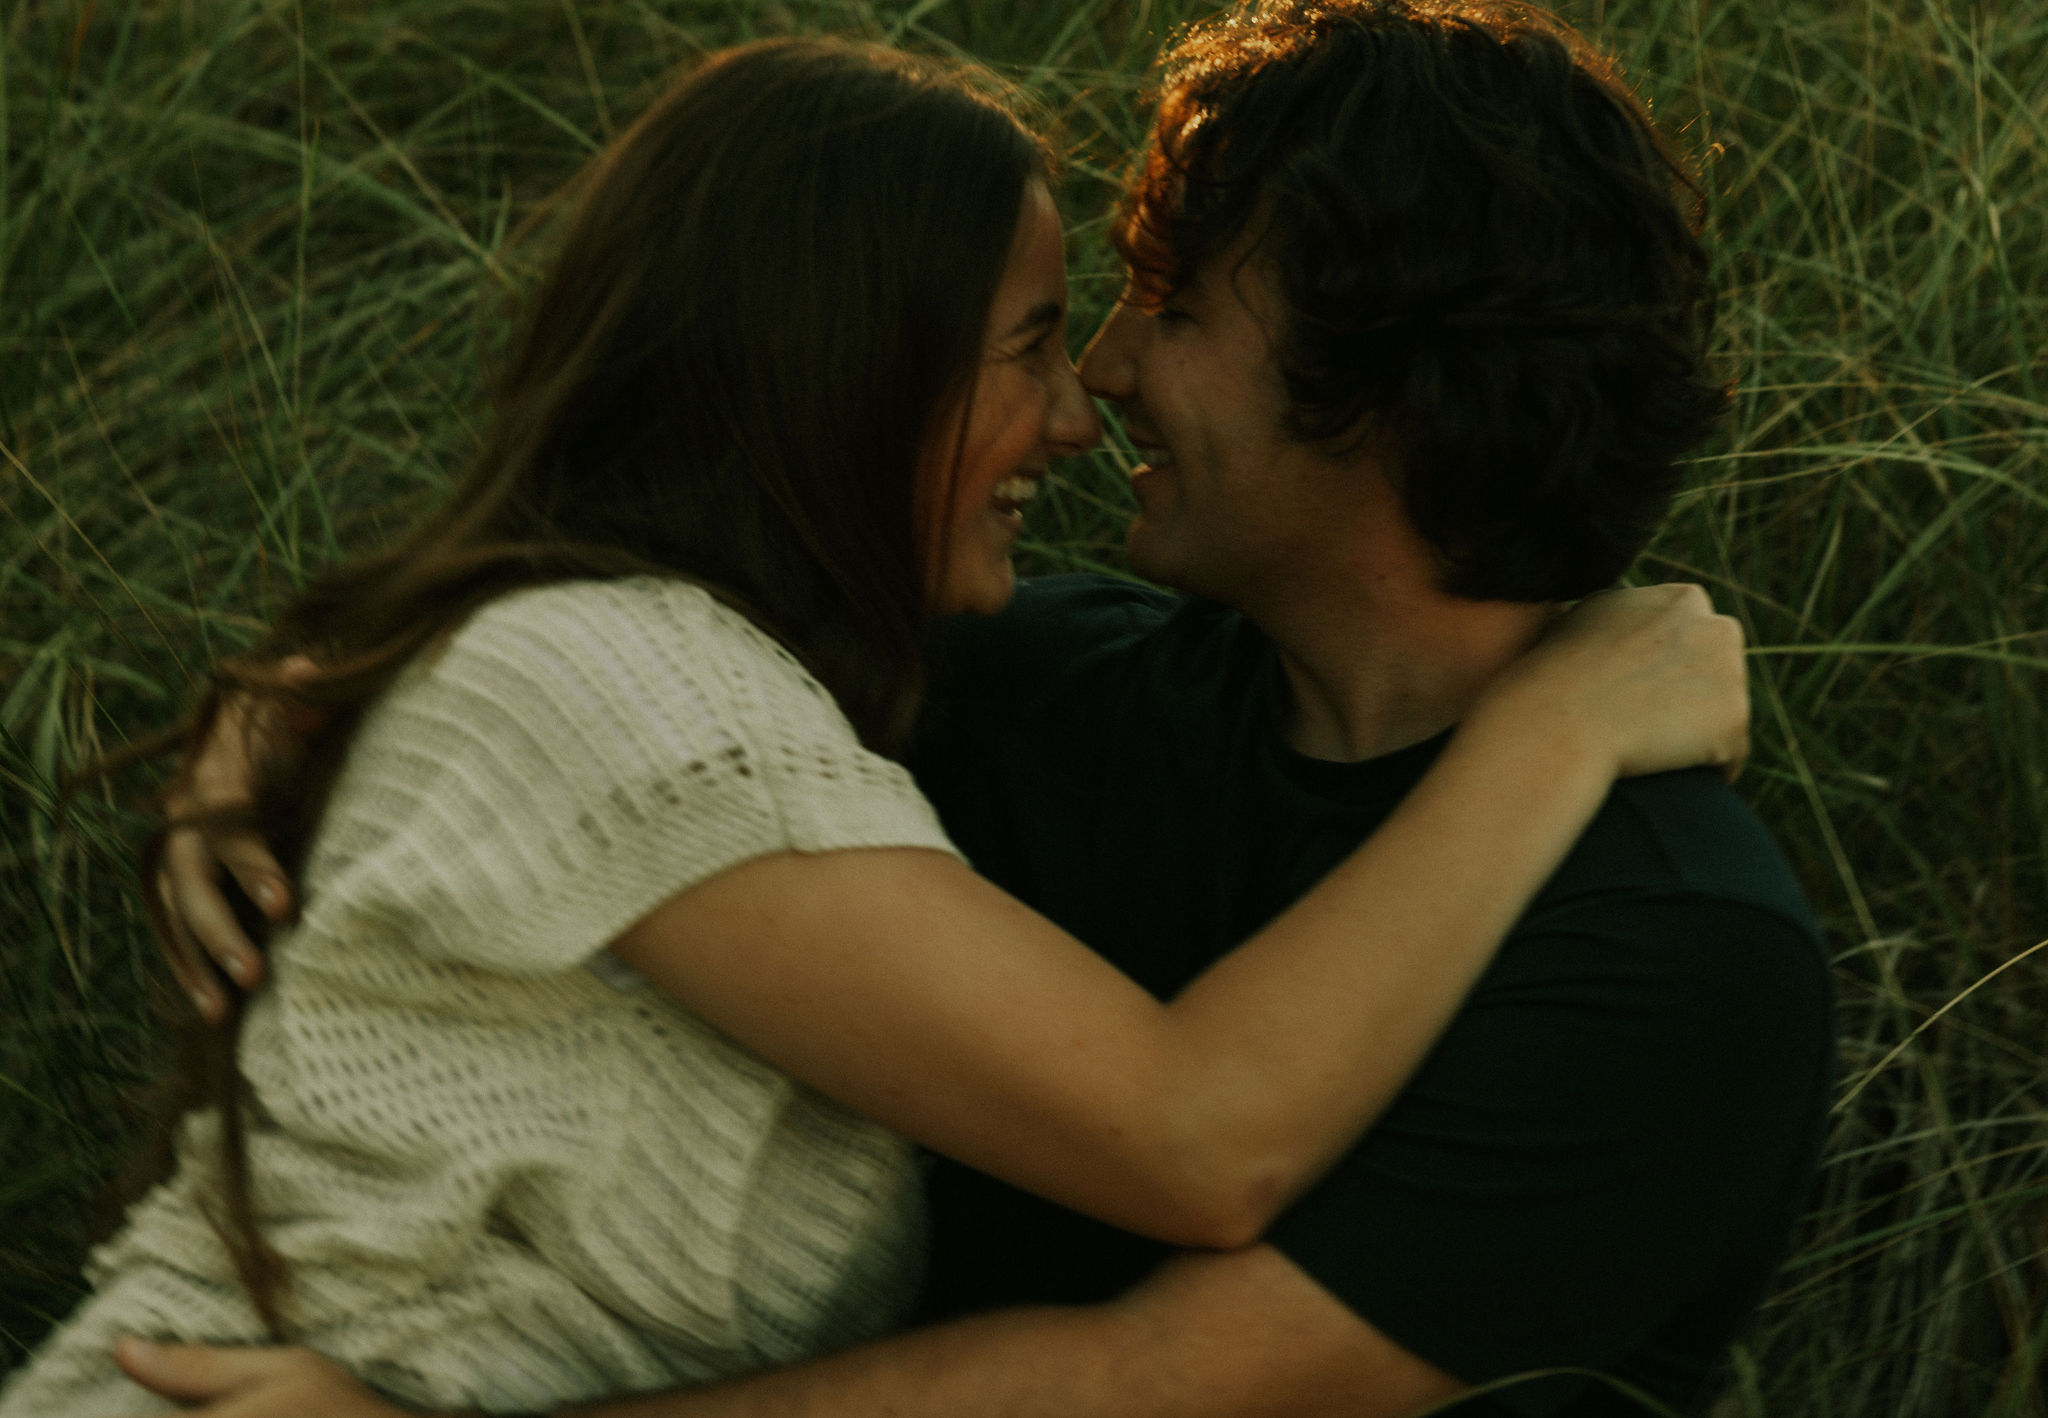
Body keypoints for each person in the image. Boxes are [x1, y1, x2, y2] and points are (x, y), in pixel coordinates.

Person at [0, 20, 1753, 1418]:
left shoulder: (1669, 952)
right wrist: (280, 732)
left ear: (1385, 392)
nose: (1101, 389)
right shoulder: (997, 698)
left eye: (1174, 307)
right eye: (1044, 339)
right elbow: (1193, 1133)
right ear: (845, 362)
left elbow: (1154, 1385)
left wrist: (317, 709)